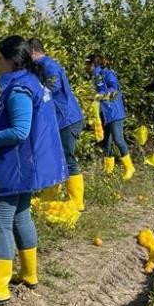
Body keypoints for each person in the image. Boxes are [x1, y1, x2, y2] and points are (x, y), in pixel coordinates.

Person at [0, 35, 68, 306]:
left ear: (11, 61)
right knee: (21, 215)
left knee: (1, 221)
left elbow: (20, 131)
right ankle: (29, 272)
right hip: (27, 165)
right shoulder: (30, 82)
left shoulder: (19, 89)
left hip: (16, 165)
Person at [29, 38, 87, 209]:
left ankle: (77, 201)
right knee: (54, 158)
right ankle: (49, 195)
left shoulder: (49, 65)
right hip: (58, 121)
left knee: (68, 158)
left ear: (33, 52)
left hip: (67, 119)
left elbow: (52, 88)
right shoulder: (40, 67)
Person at [86, 53, 134, 181]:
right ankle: (108, 169)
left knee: (118, 139)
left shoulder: (107, 73)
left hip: (115, 112)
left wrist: (99, 95)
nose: (85, 67)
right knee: (106, 142)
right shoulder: (94, 77)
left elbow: (114, 88)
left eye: (86, 64)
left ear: (92, 64)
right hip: (105, 113)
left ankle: (129, 167)